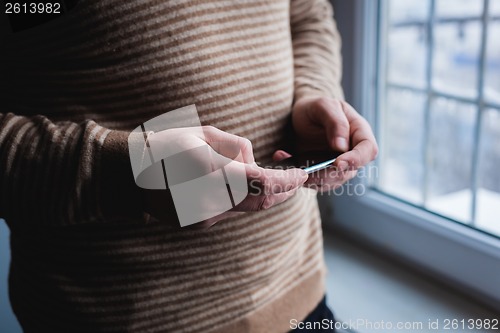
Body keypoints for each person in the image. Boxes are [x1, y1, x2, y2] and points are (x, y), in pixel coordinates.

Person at [0, 0, 377, 332]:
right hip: (116, 316)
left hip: (298, 294)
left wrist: (314, 91)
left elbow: (308, 14)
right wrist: (126, 172)